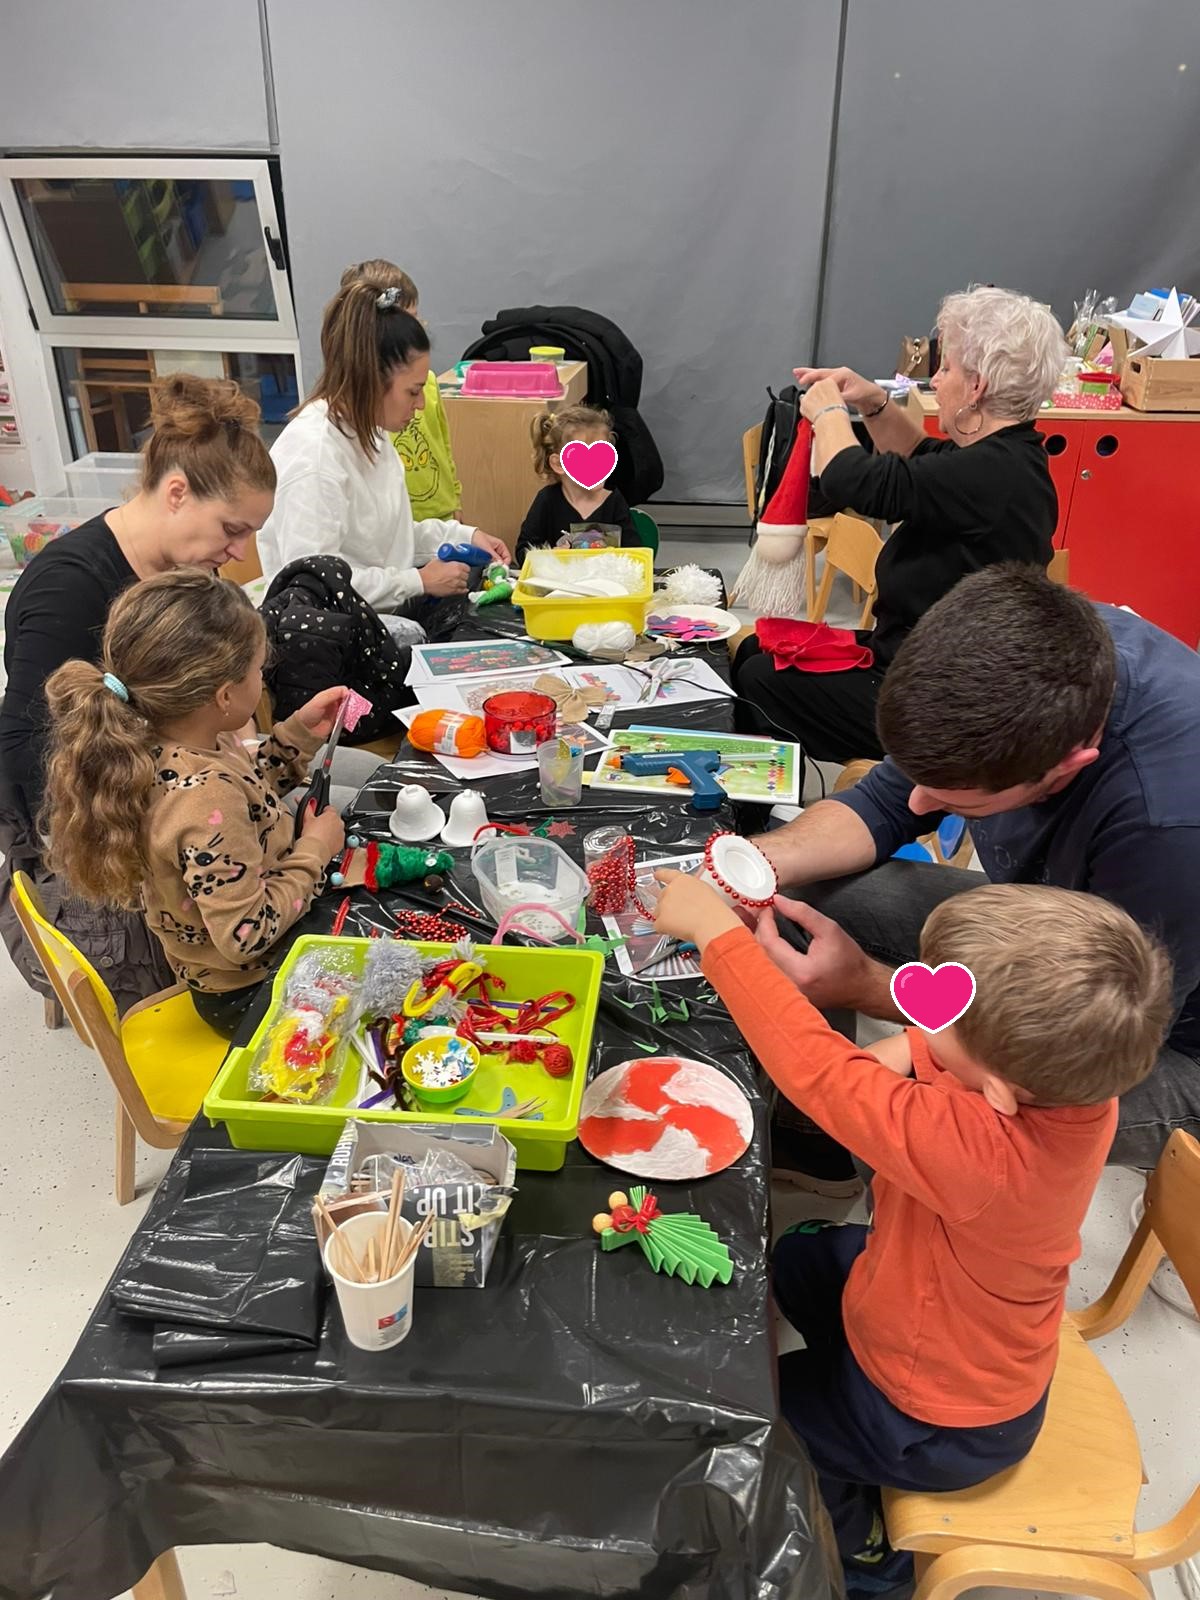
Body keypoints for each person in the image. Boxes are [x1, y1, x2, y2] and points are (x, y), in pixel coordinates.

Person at [651, 868, 1172, 1596]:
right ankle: (843, 1359)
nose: (926, 1019)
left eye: (945, 1015)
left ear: (997, 1089)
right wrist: (895, 1064)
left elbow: (819, 1075)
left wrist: (717, 935)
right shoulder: (1076, 1086)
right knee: (799, 1255)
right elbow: (929, 1059)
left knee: (765, 1425)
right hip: (938, 1303)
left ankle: (865, 1552)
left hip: (934, 1419)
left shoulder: (982, 1155)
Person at [750, 563, 1200, 1178]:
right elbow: (883, 805)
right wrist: (747, 865)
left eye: (955, 803)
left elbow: (1081, 1032)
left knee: (931, 1106)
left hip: (1149, 1041)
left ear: (1069, 766)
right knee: (796, 893)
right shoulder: (1038, 658)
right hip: (1051, 943)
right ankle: (821, 1146)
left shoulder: (1166, 829)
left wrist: (871, 988)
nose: (918, 806)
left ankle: (877, 1183)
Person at [0, 374, 275, 1012]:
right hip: (98, 837)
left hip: (175, 803)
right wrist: (184, 806)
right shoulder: (69, 589)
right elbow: (26, 755)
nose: (239, 553)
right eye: (231, 528)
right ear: (177, 493)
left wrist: (235, 760)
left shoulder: (184, 574)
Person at [735, 286, 1066, 760]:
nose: (937, 382)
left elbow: (852, 479)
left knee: (759, 682)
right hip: (915, 657)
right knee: (755, 650)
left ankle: (775, 791)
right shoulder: (1007, 457)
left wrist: (829, 414)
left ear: (977, 387)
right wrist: (873, 402)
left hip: (940, 701)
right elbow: (917, 453)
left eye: (946, 369)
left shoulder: (993, 473)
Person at [41, 570, 346, 1040]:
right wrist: (316, 850)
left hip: (241, 957)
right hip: (250, 991)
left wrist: (297, 737)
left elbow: (241, 793)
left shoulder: (171, 742)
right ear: (224, 695)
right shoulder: (203, 797)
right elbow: (247, 934)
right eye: (258, 670)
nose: (262, 679)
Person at [257, 275, 509, 611]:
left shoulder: (371, 433)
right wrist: (417, 581)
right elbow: (316, 587)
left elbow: (389, 540)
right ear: (372, 380)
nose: (420, 404)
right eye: (413, 392)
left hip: (370, 619)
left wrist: (464, 536)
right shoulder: (314, 458)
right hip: (329, 631)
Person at [338, 259, 464, 523]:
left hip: (436, 514)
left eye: (416, 320)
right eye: (412, 393)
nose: (419, 403)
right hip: (404, 518)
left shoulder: (426, 384)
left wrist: (455, 500)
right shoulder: (329, 447)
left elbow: (444, 445)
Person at [514, 404, 638, 563]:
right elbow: (523, 551)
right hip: (560, 578)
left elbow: (635, 554)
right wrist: (550, 556)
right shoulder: (547, 500)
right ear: (558, 464)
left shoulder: (614, 501)